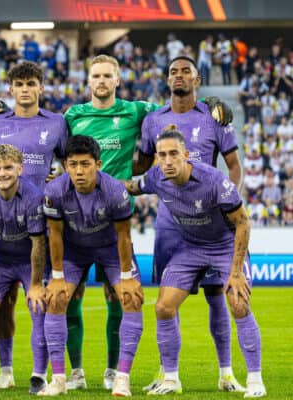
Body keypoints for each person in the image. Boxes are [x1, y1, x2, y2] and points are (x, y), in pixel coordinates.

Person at [63, 54, 232, 391]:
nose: (101, 81)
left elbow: (175, 102)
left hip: (116, 215)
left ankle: (115, 370)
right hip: (77, 215)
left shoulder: (137, 111)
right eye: (95, 75)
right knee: (72, 294)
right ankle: (76, 371)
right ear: (88, 81)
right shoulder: (72, 115)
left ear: (117, 80)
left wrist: (209, 102)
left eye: (107, 76)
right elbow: (61, 154)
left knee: (118, 295)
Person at [124, 129, 266, 398]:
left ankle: (255, 380)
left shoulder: (214, 180)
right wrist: (97, 180)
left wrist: (235, 273)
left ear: (186, 155)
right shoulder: (156, 176)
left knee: (238, 303)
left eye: (173, 154)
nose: (167, 161)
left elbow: (243, 222)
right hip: (189, 249)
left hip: (224, 247)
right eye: (162, 155)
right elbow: (131, 187)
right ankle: (171, 378)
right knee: (164, 308)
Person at [133, 55, 244, 393]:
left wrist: (230, 202)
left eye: (186, 71)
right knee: (168, 300)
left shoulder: (214, 117)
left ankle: (226, 373)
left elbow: (234, 167)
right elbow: (139, 167)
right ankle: (170, 375)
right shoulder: (153, 121)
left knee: (216, 296)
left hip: (210, 227)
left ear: (197, 78)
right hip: (170, 225)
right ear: (167, 79)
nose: (178, 76)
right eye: (173, 72)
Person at [0, 61, 67, 389]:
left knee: (54, 303)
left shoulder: (58, 123)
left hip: (45, 227)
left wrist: (56, 182)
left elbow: (70, 164)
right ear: (10, 89)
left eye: (31, 83)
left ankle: (55, 371)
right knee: (2, 307)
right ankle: (4, 372)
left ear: (41, 88)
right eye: (19, 84)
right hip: (3, 234)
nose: (25, 89)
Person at [40, 135, 143, 396]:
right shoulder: (54, 192)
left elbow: (124, 236)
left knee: (130, 298)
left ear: (97, 164)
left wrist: (127, 277)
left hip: (110, 248)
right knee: (56, 299)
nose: (79, 171)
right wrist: (57, 276)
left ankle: (121, 377)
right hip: (73, 250)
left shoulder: (115, 191)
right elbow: (54, 234)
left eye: (85, 164)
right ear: (65, 165)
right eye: (72, 164)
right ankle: (61, 379)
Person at [0, 145, 48, 395]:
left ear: (20, 169)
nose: (2, 173)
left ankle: (39, 376)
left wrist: (36, 284)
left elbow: (39, 243)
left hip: (30, 261)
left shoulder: (34, 196)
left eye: (8, 168)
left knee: (39, 309)